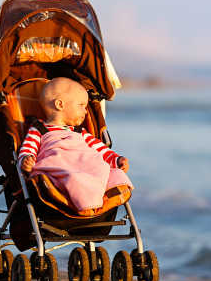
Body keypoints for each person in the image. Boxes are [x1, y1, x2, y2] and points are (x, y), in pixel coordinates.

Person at [18, 77, 132, 212]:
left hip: (84, 166)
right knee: (73, 177)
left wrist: (116, 159)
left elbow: (100, 150)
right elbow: (27, 149)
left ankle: (103, 196)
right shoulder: (39, 130)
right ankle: (86, 204)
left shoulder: (80, 132)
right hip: (59, 168)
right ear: (60, 105)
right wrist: (26, 160)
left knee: (106, 170)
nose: (85, 111)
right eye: (81, 105)